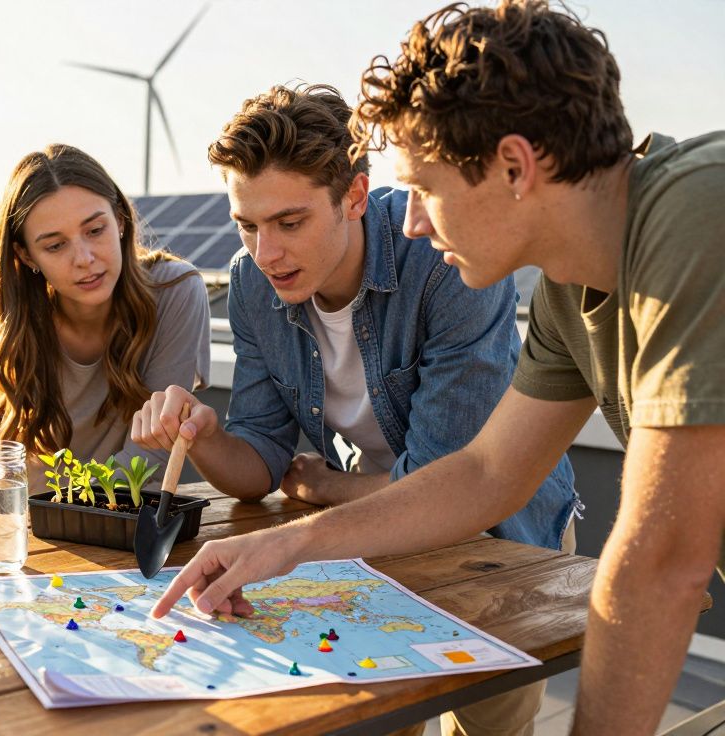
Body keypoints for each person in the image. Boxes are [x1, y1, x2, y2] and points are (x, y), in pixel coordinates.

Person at [148, 3, 725, 734]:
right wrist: (285, 543)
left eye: (424, 189)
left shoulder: (699, 211)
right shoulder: (565, 293)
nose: (412, 220)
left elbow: (662, 561)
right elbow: (485, 474)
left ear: (514, 166)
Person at [132, 82, 577, 736]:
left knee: (487, 730)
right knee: (377, 722)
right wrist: (201, 436)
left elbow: (450, 480)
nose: (266, 253)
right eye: (247, 224)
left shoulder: (442, 258)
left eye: (290, 222)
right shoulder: (253, 283)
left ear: (355, 197)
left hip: (499, 537)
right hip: (366, 536)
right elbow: (259, 458)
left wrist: (332, 487)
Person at [0, 143, 210, 495]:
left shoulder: (175, 291)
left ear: (120, 219)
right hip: (7, 518)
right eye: (55, 246)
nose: (85, 258)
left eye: (94, 230)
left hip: (106, 518)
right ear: (26, 255)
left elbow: (154, 453)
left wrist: (63, 511)